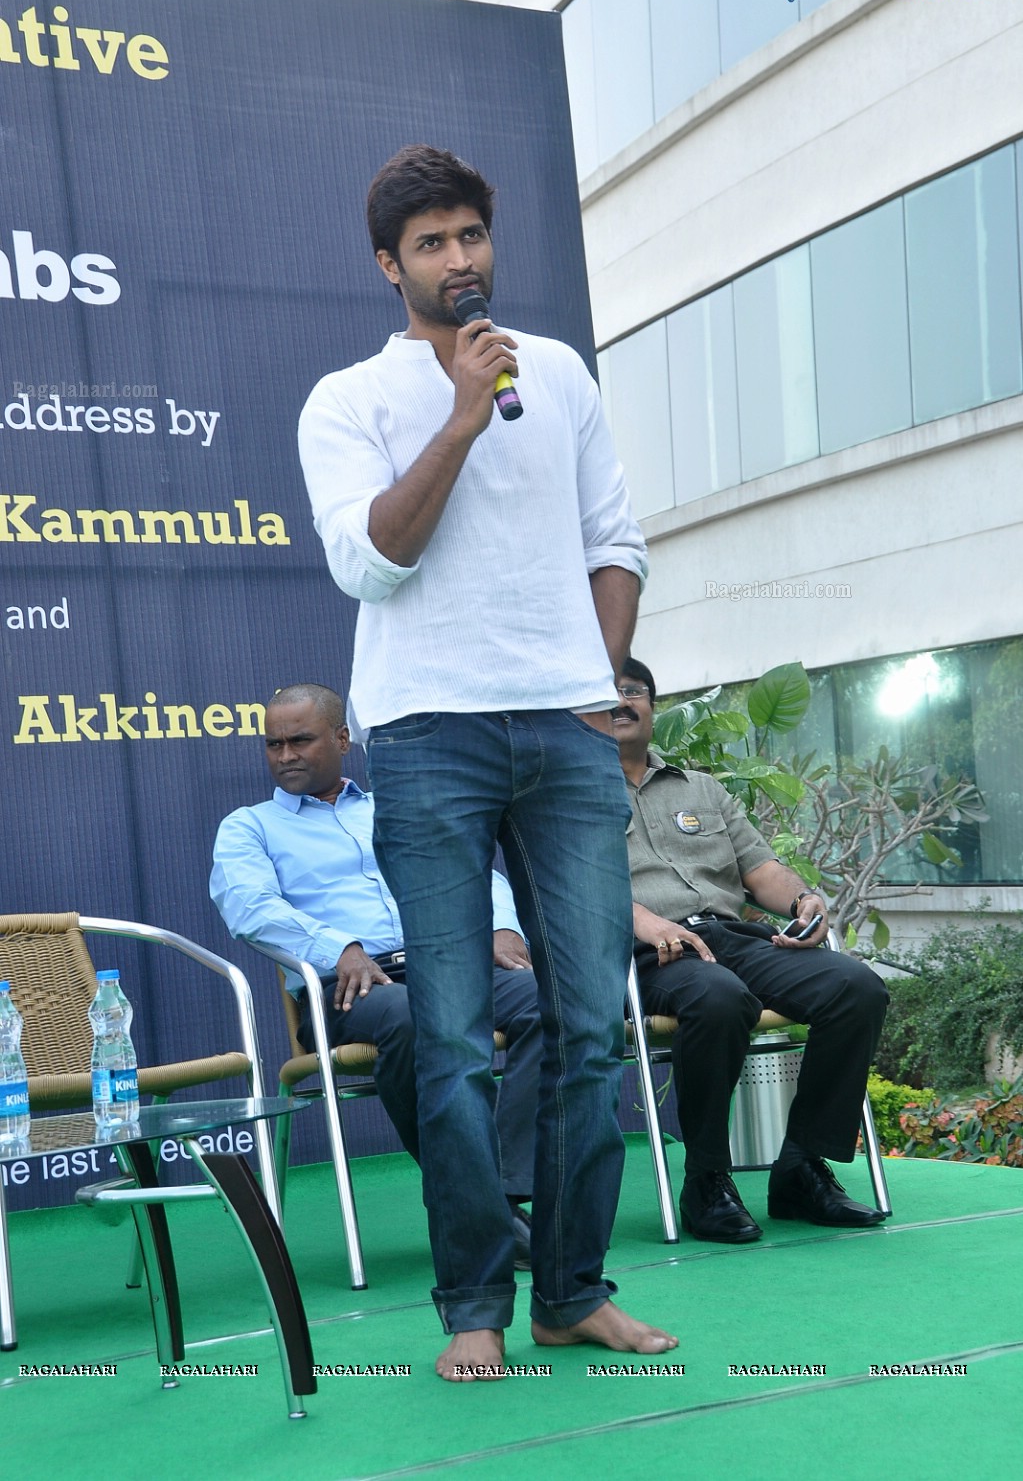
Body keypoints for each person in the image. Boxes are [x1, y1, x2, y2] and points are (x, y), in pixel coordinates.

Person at [297, 145, 676, 1379]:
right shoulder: (347, 400)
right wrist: (463, 414)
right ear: (388, 267)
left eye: (471, 236)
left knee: (589, 1025)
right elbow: (372, 561)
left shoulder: (557, 372)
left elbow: (612, 536)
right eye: (432, 245)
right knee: (456, 1038)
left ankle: (571, 1289)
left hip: (565, 731)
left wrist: (603, 678)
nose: (459, 261)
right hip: (426, 733)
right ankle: (476, 1300)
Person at [210, 683, 541, 1266]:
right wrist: (341, 945)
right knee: (418, 1020)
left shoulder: (397, 806)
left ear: (343, 739)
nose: (284, 755)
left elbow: (473, 868)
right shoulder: (249, 826)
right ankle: (484, 1206)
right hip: (349, 991)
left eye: (300, 740)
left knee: (546, 1001)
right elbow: (250, 909)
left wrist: (501, 926)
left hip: (447, 963)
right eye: (273, 744)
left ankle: (497, 1192)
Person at [612, 656, 890, 1244]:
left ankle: (801, 1169)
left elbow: (760, 870)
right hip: (644, 955)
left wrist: (804, 900)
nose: (622, 701)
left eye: (635, 690)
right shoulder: (568, 798)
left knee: (855, 986)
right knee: (719, 999)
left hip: (730, 937)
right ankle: (707, 1180)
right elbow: (573, 888)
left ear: (652, 707)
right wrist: (646, 921)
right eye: (608, 691)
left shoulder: (701, 789)